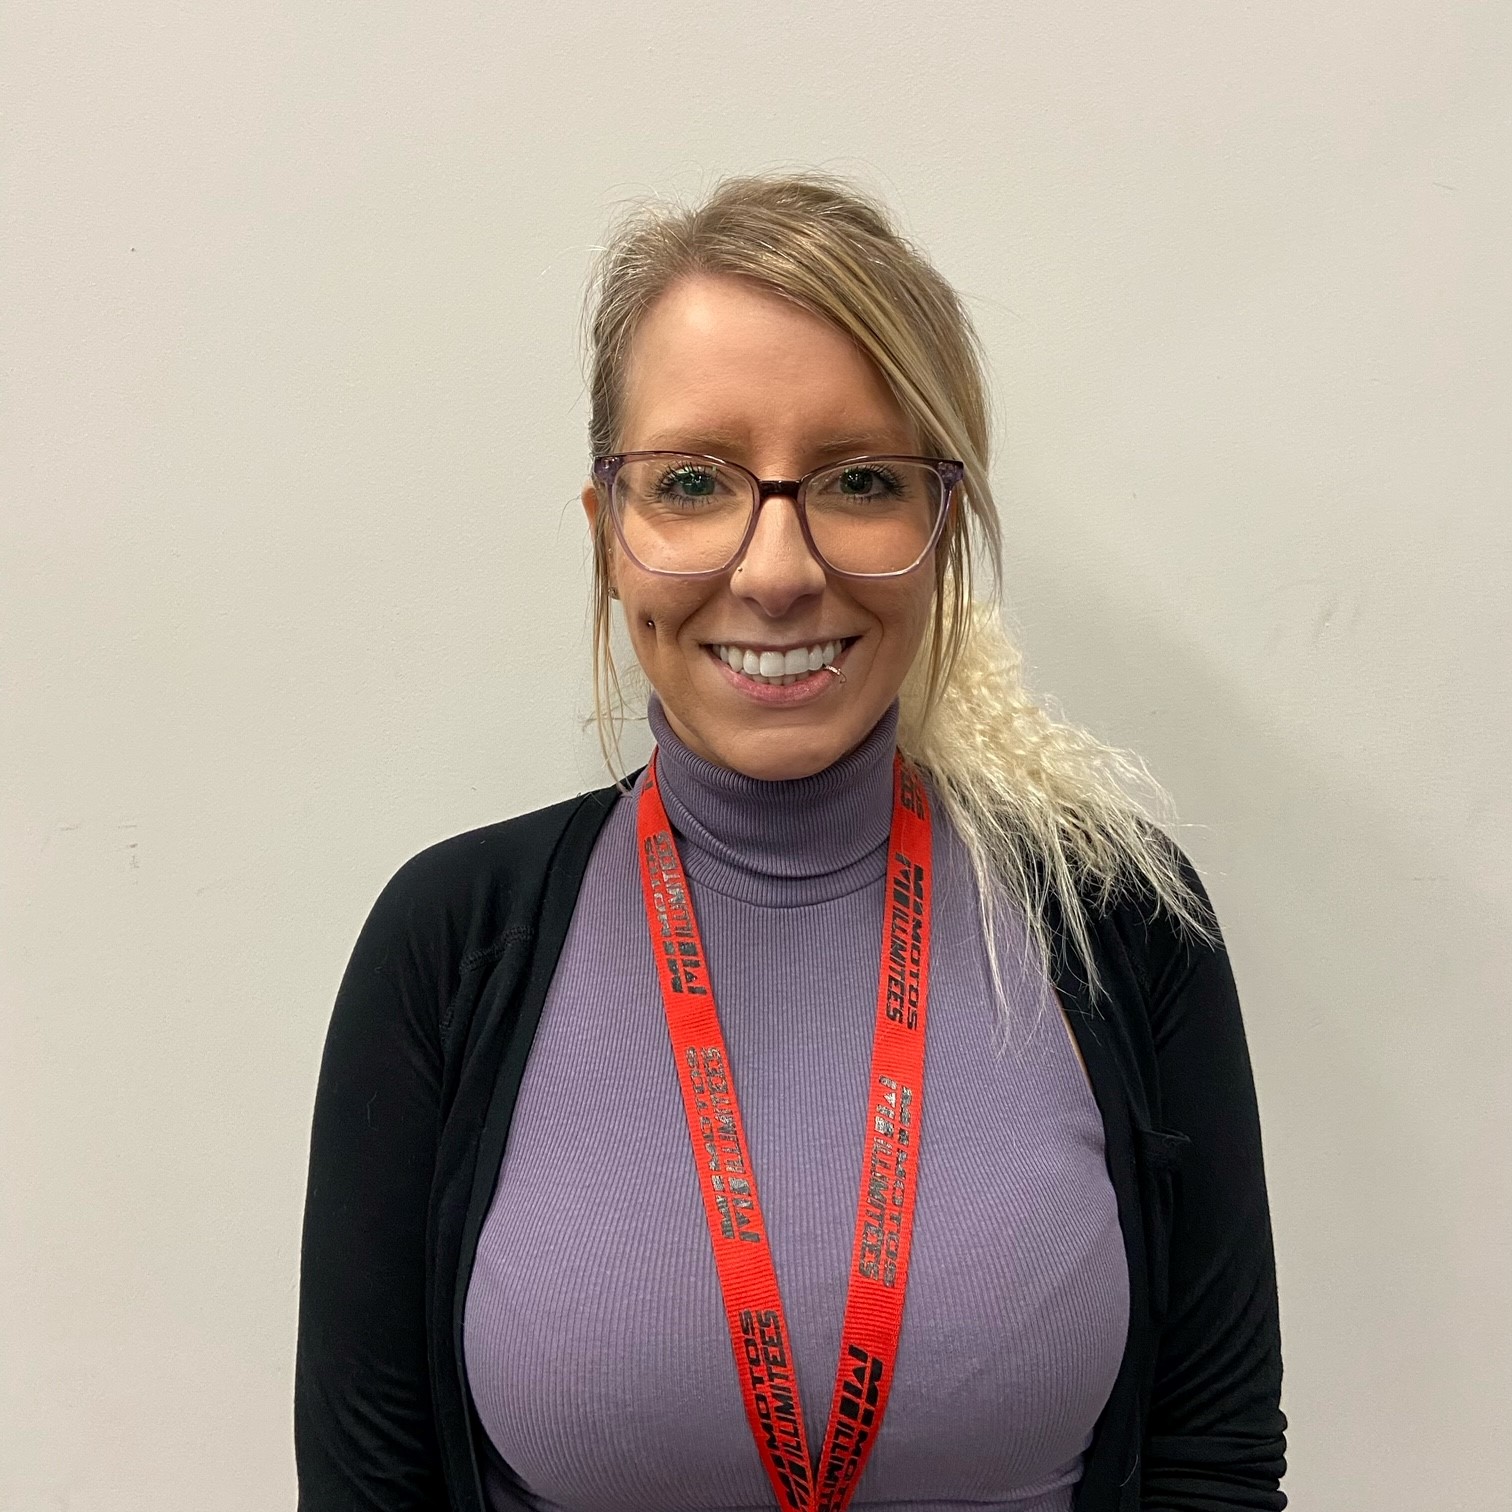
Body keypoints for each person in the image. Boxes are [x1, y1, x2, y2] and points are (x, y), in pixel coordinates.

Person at [294, 173, 1287, 1512]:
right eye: (693, 482)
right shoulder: (450, 941)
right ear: (610, 536)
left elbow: (1213, 1462)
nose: (775, 570)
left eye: (860, 479)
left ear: (938, 529)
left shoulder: (1116, 922)